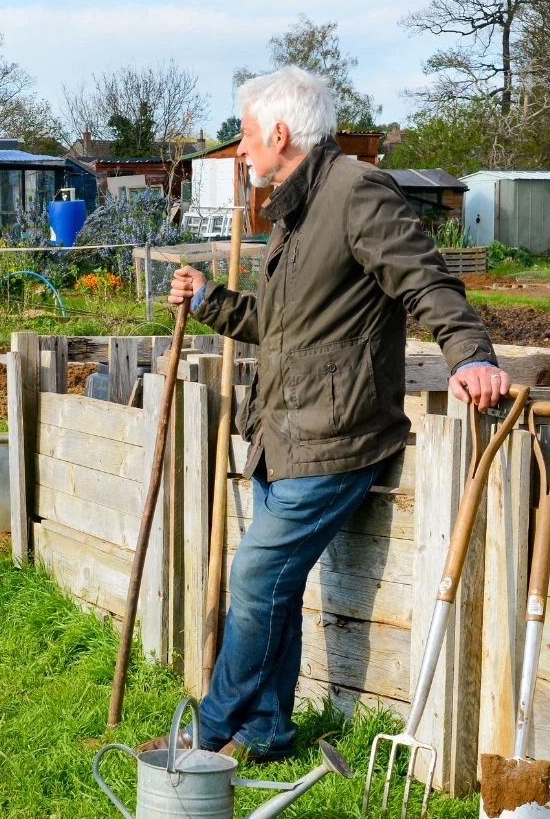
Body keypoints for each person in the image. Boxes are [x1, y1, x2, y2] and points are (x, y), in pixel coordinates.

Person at [141, 66, 510, 761]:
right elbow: (281, 326)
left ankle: (208, 732)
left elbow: (426, 280)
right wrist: (211, 299)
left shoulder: (357, 192)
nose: (241, 149)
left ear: (280, 133)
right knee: (274, 587)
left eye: (246, 135)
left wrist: (471, 356)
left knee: (256, 577)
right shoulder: (296, 210)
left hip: (335, 436)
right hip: (282, 432)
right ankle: (266, 729)